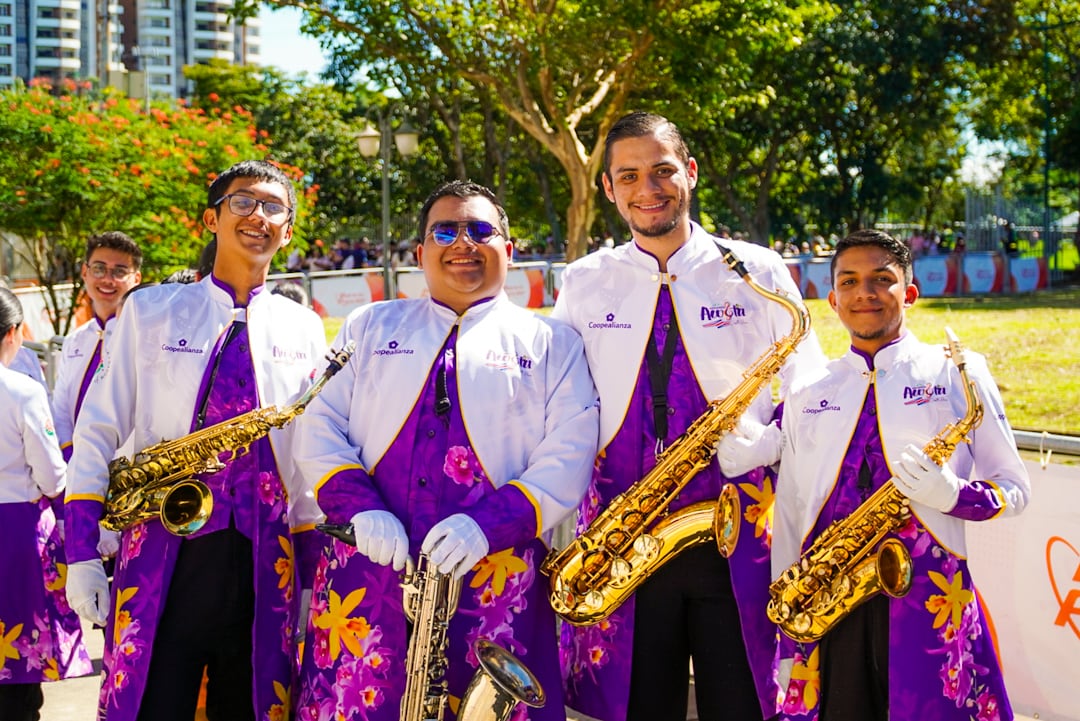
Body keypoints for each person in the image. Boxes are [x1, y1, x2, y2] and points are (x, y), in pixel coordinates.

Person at [292, 179, 599, 720]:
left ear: (509, 250)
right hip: (369, 575)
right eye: (445, 230)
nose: (463, 242)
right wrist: (357, 506)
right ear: (418, 253)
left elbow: (569, 454)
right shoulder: (368, 326)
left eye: (481, 230)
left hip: (497, 578)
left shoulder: (554, 343)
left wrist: (490, 525)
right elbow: (315, 421)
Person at [554, 111, 825, 721]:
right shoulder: (584, 279)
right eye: (628, 176)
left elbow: (813, 391)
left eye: (662, 171)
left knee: (743, 700)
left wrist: (769, 440)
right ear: (609, 189)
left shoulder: (758, 269)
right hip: (623, 532)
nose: (647, 189)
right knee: (639, 703)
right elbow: (563, 401)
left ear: (691, 173)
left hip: (738, 526)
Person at [63, 159, 328, 721]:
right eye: (242, 202)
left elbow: (307, 463)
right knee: (151, 703)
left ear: (289, 229)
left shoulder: (302, 326)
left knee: (252, 707)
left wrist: (308, 576)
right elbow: (97, 429)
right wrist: (82, 551)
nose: (258, 215)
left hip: (265, 558)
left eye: (274, 206)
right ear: (211, 217)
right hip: (162, 544)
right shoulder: (150, 309)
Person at [771, 229, 1030, 721]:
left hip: (928, 601)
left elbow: (1014, 488)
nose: (863, 293)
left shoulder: (959, 372)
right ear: (832, 299)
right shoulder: (808, 390)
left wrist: (954, 495)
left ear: (909, 292)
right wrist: (788, 624)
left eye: (880, 279)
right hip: (827, 597)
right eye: (848, 281)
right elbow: (790, 510)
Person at [0, 288, 93, 721]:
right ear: (15, 334)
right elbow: (53, 475)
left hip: (15, 521)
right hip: (16, 527)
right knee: (19, 663)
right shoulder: (21, 391)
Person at [52, 231, 143, 465]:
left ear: (137, 278)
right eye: (99, 268)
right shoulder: (75, 340)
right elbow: (61, 406)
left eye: (120, 272)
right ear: (85, 272)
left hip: (127, 468)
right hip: (75, 465)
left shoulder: (144, 339)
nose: (107, 279)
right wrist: (71, 455)